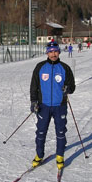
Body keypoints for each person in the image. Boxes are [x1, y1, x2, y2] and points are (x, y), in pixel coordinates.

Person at [30, 41, 76, 170]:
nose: (53, 54)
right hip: (43, 106)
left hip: (59, 105)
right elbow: (34, 86)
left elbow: (72, 86)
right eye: (50, 52)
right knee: (40, 132)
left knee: (60, 132)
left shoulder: (65, 68)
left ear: (59, 52)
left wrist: (68, 88)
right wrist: (34, 101)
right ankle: (39, 155)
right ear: (47, 53)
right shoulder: (40, 67)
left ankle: (60, 156)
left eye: (55, 51)